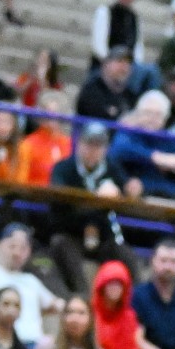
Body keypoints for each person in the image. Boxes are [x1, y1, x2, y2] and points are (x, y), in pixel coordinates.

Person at [47, 122, 142, 294]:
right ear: (79, 144)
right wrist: (96, 200)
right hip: (72, 232)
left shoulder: (112, 168)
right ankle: (82, 296)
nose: (93, 150)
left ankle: (136, 301)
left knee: (124, 253)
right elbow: (59, 199)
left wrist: (132, 189)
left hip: (103, 235)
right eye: (89, 144)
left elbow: (128, 190)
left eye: (98, 146)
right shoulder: (63, 168)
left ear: (105, 149)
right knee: (60, 244)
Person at [109, 90, 175, 201]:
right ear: (137, 114)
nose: (151, 118)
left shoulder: (168, 139)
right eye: (147, 113)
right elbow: (118, 150)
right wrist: (154, 157)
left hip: (169, 196)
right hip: (137, 194)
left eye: (158, 115)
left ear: (165, 119)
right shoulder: (128, 134)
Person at [0, 224, 63, 346]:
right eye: (12, 246)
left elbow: (56, 304)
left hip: (32, 341)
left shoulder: (30, 280)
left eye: (23, 248)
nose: (16, 253)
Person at [16, 91, 71, 186]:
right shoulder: (28, 143)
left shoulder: (69, 143)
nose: (52, 117)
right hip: (35, 194)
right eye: (48, 113)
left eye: (56, 113)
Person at [76, 46, 137, 122]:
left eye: (128, 63)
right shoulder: (92, 89)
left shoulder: (130, 94)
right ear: (106, 64)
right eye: (119, 61)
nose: (124, 67)